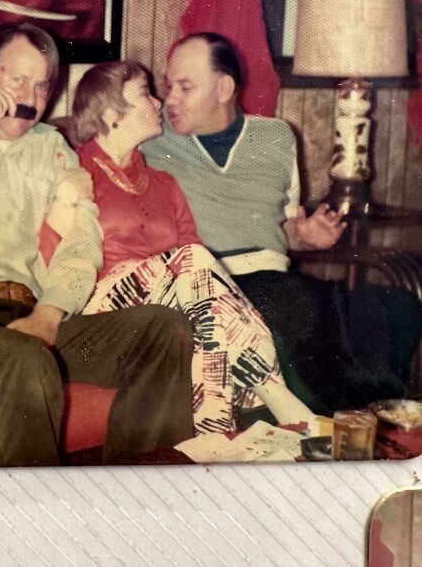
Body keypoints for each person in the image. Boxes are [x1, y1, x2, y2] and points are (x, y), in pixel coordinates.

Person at [0, 22, 195, 467]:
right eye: (17, 79)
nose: (30, 98)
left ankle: (133, 500)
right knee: (23, 360)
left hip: (30, 317)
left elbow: (82, 242)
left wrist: (48, 313)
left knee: (163, 330)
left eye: (43, 87)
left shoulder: (52, 148)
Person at [142, 32, 422, 413]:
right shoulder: (152, 138)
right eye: (167, 85)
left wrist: (309, 237)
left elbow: (285, 226)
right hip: (209, 286)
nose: (170, 99)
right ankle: (330, 422)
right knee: (298, 306)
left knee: (392, 306)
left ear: (224, 88)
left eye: (185, 87)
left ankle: (366, 419)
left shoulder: (275, 137)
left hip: (275, 276)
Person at [69, 60, 313, 433]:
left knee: (209, 323)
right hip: (102, 311)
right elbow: (57, 257)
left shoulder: (164, 183)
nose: (158, 103)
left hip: (168, 306)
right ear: (111, 114)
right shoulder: (75, 173)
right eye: (144, 95)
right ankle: (272, 388)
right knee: (195, 261)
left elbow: (199, 270)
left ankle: (213, 436)